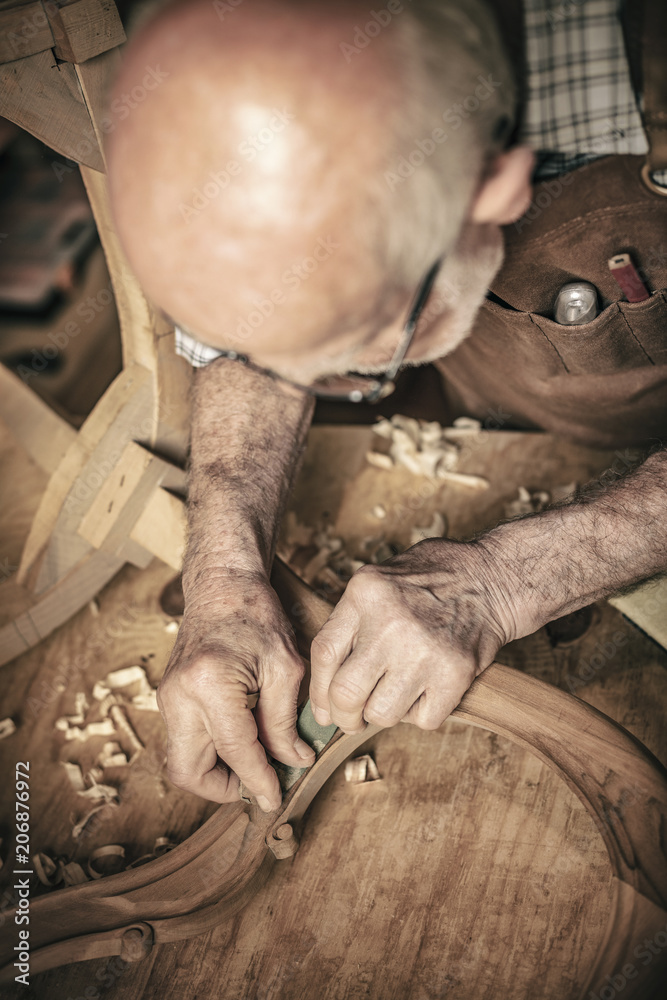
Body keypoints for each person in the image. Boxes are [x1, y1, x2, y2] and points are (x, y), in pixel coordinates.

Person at [107, 0, 667, 814]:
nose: (300, 382)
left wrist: (507, 581)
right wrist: (224, 575)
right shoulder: (225, 43)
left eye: (352, 360)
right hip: (513, 405)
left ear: (495, 185)